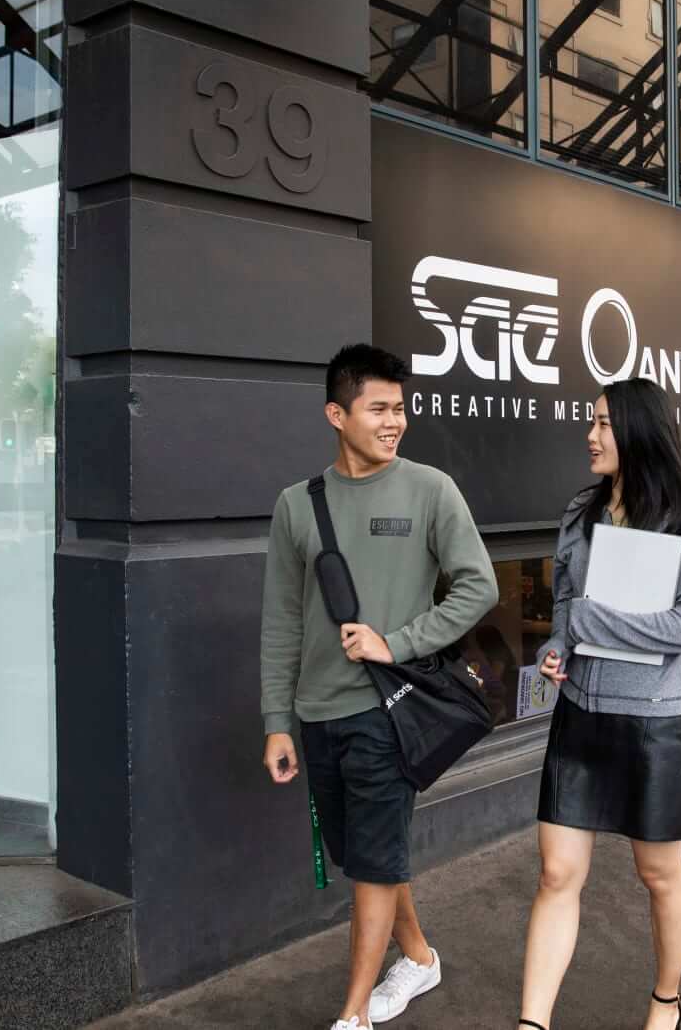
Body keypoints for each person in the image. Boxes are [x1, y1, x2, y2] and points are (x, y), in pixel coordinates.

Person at [260, 344, 499, 1030]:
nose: (395, 421)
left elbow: (479, 583)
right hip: (317, 714)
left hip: (389, 714)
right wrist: (278, 719)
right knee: (366, 856)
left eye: (401, 408)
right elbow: (280, 621)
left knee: (371, 866)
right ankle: (419, 956)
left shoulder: (430, 489)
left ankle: (355, 1013)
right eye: (379, 408)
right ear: (337, 413)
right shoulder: (296, 506)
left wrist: (400, 640)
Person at [516, 378, 681, 1030]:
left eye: (602, 423)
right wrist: (557, 647)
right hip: (579, 715)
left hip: (653, 723)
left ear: (635, 431)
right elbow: (567, 608)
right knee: (556, 871)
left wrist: (596, 623)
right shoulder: (580, 511)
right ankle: (533, 1022)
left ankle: (666, 999)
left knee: (659, 873)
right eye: (591, 422)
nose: (590, 434)